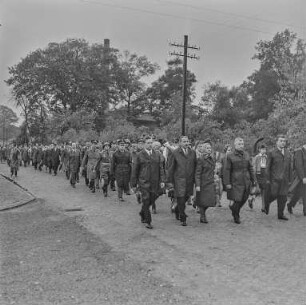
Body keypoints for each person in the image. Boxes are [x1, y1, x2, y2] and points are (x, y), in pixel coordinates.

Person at [131, 137, 165, 229]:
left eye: (151, 142)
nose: (150, 144)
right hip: (144, 181)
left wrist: (162, 180)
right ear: (144, 144)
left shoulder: (157, 154)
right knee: (146, 200)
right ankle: (148, 221)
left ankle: (142, 212)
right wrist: (133, 184)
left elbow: (161, 168)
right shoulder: (139, 155)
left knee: (152, 198)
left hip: (155, 181)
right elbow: (135, 170)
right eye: (148, 143)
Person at [223, 137, 256, 224]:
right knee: (237, 199)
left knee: (244, 199)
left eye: (242, 144)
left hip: (246, 181)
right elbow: (227, 170)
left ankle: (234, 209)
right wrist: (227, 183)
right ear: (235, 145)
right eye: (239, 144)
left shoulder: (246, 154)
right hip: (235, 182)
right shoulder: (230, 155)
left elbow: (251, 168)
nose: (241, 146)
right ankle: (236, 215)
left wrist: (254, 180)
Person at [167, 136, 197, 226]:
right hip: (179, 180)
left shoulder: (193, 153)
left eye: (187, 141)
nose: (186, 143)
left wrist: (195, 179)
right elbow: (171, 168)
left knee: (186, 197)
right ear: (180, 143)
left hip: (189, 180)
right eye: (184, 141)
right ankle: (183, 218)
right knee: (180, 198)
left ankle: (177, 210)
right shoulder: (175, 153)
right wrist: (170, 182)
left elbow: (195, 166)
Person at [264, 134, 292, 220]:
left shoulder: (288, 153)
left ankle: (280, 215)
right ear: (277, 142)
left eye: (284, 141)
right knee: (274, 194)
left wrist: (290, 179)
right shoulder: (271, 153)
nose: (283, 143)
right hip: (274, 179)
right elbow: (267, 168)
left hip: (285, 179)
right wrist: (267, 179)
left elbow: (290, 167)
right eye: (281, 141)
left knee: (283, 198)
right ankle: (267, 203)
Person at [195, 140, 216, 223]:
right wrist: (197, 185)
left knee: (210, 201)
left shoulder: (211, 158)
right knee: (203, 201)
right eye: (207, 148)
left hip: (210, 182)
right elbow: (197, 173)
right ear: (203, 149)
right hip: (203, 183)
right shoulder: (200, 159)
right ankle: (202, 216)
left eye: (210, 148)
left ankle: (201, 212)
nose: (209, 149)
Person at [287, 143, 306, 216]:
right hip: (300, 177)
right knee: (303, 193)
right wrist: (303, 177)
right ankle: (305, 211)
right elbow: (299, 165)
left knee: (299, 194)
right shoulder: (299, 151)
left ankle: (290, 205)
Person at [253, 144, 268, 212]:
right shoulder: (257, 157)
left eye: (265, 149)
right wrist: (254, 177)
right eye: (262, 149)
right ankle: (251, 198)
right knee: (258, 190)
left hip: (264, 174)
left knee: (264, 191)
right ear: (259, 150)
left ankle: (263, 207)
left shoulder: (266, 157)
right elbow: (254, 167)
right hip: (258, 174)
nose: (264, 150)